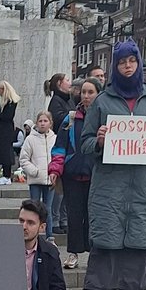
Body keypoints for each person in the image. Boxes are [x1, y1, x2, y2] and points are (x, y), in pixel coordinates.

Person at [80, 41, 146, 290]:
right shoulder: (102, 101)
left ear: (139, 63)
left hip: (141, 187)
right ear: (114, 67)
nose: (127, 67)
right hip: (109, 187)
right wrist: (100, 141)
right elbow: (85, 144)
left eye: (132, 61)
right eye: (121, 62)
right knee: (105, 245)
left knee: (137, 247)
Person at [49, 78, 99, 269]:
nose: (86, 96)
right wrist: (55, 169)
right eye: (83, 92)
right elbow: (59, 147)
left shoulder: (105, 119)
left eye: (90, 92)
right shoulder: (70, 119)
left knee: (94, 217)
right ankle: (73, 253)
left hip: (97, 176)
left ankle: (95, 253)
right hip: (73, 175)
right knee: (74, 216)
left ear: (98, 94)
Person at [18, 199, 88, 290]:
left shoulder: (49, 251)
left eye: (30, 223)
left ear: (42, 227)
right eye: (21, 221)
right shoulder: (5, 248)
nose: (24, 226)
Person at [19, 111, 56, 237]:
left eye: (45, 121)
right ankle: (32, 235)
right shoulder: (30, 139)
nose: (43, 123)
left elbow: (58, 157)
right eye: (40, 121)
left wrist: (55, 171)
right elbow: (24, 159)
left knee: (48, 209)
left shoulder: (55, 139)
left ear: (50, 123)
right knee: (33, 209)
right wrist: (34, 171)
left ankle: (49, 236)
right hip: (35, 179)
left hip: (51, 179)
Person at [47, 73, 72, 232]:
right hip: (61, 146)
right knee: (59, 192)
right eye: (67, 80)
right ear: (59, 84)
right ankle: (56, 220)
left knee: (66, 191)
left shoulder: (68, 100)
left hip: (70, 148)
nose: (69, 82)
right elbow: (59, 120)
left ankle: (64, 219)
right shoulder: (56, 101)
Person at [0, 80, 20, 183]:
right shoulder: (6, 102)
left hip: (6, 129)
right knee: (2, 150)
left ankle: (7, 175)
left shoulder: (11, 102)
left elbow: (8, 116)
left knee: (6, 151)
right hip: (3, 128)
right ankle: (5, 174)